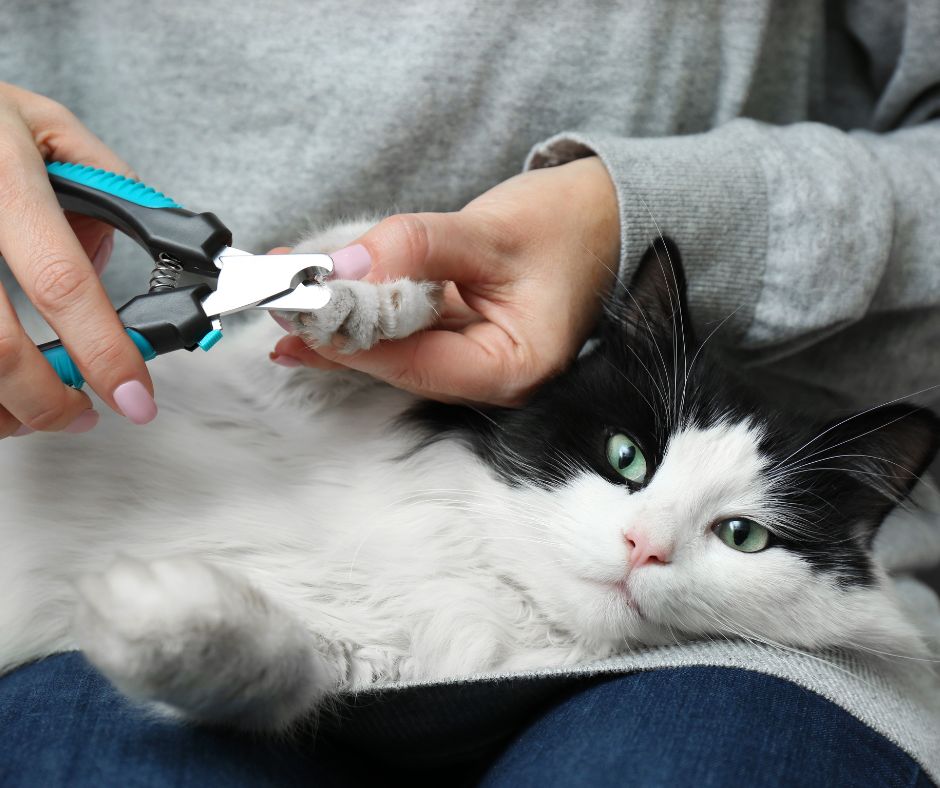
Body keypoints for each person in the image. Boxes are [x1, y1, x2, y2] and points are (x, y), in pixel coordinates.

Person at [0, 1, 938, 785]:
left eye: (742, 532)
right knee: (95, 750)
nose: (643, 546)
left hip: (702, 664)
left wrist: (626, 211)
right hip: (149, 526)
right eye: (628, 471)